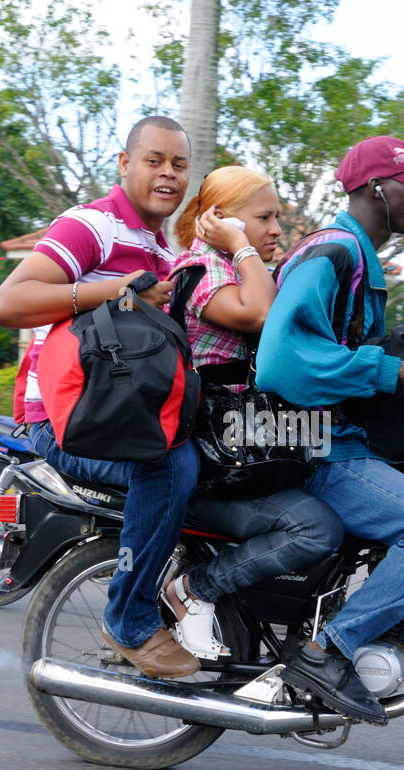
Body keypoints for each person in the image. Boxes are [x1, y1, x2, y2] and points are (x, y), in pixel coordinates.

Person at [255, 135, 404, 727]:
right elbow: (282, 361)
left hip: (330, 439)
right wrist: (396, 370)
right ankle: (328, 650)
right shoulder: (332, 254)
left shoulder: (357, 259)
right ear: (376, 188)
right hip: (307, 446)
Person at [0, 115, 202, 679]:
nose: (167, 174)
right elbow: (7, 305)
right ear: (125, 164)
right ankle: (129, 620)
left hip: (114, 415)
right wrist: (116, 291)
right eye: (154, 160)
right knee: (169, 467)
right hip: (62, 422)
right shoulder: (93, 226)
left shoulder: (157, 246)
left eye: (179, 165)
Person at [162, 165, 344, 655]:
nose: (276, 229)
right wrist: (240, 245)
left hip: (237, 450)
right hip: (212, 464)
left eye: (277, 217)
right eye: (263, 217)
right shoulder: (202, 273)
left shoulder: (231, 270)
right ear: (221, 219)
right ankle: (194, 588)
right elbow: (264, 315)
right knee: (316, 527)